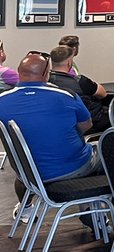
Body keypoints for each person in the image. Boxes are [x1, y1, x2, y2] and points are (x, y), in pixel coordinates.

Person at [0, 52, 101, 187]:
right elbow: (86, 125)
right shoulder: (67, 96)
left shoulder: (2, 100)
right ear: (46, 75)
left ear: (19, 72)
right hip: (73, 167)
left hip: (27, 174)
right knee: (110, 149)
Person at [48, 45, 109, 131]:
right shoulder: (80, 81)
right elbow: (103, 94)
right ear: (69, 63)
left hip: (60, 124)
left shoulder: (46, 82)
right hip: (89, 124)